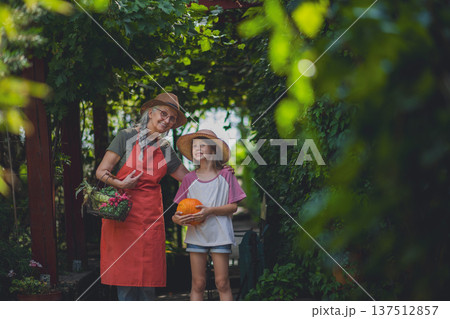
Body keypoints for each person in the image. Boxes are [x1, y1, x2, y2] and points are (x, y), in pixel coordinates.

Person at [95, 92, 190, 301]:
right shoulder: (126, 136)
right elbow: (101, 171)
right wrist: (120, 183)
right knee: (126, 282)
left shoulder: (165, 148)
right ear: (150, 112)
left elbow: (187, 179)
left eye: (172, 118)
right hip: (122, 216)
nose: (167, 120)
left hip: (149, 217)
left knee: (148, 282)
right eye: (164, 114)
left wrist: (215, 171)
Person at [172, 129, 246, 301]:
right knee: (198, 284)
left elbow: (233, 207)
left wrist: (210, 211)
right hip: (196, 235)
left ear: (214, 151)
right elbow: (178, 212)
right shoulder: (189, 179)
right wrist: (177, 219)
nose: (197, 149)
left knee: (222, 283)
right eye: (194, 146)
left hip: (220, 234)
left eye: (202, 145)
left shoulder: (226, 175)